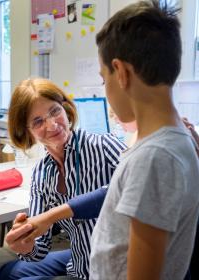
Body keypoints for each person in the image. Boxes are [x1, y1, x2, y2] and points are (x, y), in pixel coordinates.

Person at [88, 1, 199, 279]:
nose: (106, 90)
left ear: (121, 72)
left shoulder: (155, 157)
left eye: (104, 79)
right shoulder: (171, 141)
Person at [0, 77, 126, 280]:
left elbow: (131, 186)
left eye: (54, 111)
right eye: (38, 121)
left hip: (111, 267)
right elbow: (39, 249)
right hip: (81, 256)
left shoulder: (105, 146)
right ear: (28, 131)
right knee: (6, 272)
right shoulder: (42, 173)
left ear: (65, 109)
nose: (52, 125)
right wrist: (26, 244)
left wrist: (51, 216)